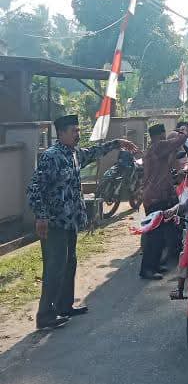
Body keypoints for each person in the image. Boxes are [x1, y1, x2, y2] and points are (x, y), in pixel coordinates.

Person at [28, 114, 140, 330]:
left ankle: (64, 306)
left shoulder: (74, 154)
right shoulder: (52, 157)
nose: (78, 134)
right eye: (74, 131)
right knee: (55, 267)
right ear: (61, 133)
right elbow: (34, 188)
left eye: (78, 131)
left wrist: (117, 143)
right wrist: (41, 216)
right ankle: (45, 315)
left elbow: (94, 151)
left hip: (70, 222)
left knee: (69, 263)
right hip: (54, 223)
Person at [140, 123, 187, 279]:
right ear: (160, 135)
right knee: (154, 235)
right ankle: (147, 269)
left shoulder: (154, 149)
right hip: (155, 197)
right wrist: (182, 131)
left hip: (157, 195)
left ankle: (154, 265)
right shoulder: (158, 146)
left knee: (159, 235)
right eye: (164, 134)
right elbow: (181, 139)